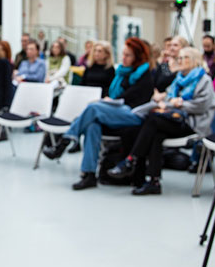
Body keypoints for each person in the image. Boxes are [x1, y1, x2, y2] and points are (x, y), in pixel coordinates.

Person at [41, 37, 154, 190]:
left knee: (94, 108)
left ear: (137, 57)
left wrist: (110, 101)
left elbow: (133, 100)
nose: (123, 58)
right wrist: (109, 101)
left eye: (128, 55)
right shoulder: (122, 72)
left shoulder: (144, 75)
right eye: (123, 54)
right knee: (92, 125)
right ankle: (88, 174)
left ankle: (64, 141)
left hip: (134, 115)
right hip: (116, 112)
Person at [108, 47, 215, 195]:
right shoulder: (178, 78)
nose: (180, 60)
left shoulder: (204, 79)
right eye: (179, 57)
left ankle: (131, 159)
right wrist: (165, 100)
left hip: (192, 123)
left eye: (184, 57)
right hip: (174, 119)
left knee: (152, 120)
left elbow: (202, 105)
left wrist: (177, 104)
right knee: (156, 133)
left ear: (194, 60)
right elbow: (166, 94)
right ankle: (153, 181)